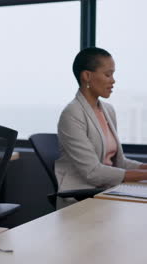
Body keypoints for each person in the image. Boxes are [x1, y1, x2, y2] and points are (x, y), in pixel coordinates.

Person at [56, 47, 147, 201]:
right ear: (87, 76)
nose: (113, 80)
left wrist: (144, 168)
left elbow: (119, 162)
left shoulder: (107, 110)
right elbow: (92, 172)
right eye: (107, 74)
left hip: (108, 189)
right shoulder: (71, 114)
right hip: (82, 196)